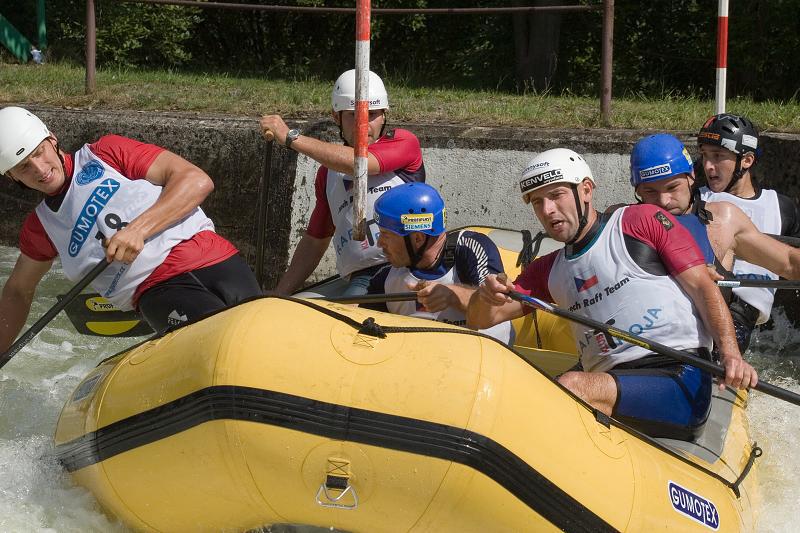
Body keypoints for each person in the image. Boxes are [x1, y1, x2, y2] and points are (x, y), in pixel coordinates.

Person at [467, 148, 757, 440]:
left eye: (556, 196)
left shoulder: (639, 221)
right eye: (538, 202)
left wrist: (731, 355)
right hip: (613, 381)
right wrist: (484, 295)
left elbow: (702, 286)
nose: (547, 210)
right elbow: (482, 319)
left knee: (572, 386)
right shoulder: (546, 270)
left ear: (586, 190)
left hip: (678, 376)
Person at [0, 106, 261, 344]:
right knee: (223, 345)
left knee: (260, 338)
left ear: (52, 139)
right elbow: (18, 290)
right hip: (156, 289)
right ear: (11, 177)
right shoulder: (40, 227)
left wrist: (138, 230)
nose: (39, 168)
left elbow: (196, 180)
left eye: (39, 152)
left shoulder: (106, 153)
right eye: (23, 167)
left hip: (214, 257)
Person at [260, 69, 425, 297]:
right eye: (353, 115)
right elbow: (315, 240)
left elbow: (361, 163)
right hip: (365, 276)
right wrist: (280, 293)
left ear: (385, 115)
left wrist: (292, 138)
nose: (364, 124)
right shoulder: (327, 175)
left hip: (410, 265)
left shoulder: (404, 142)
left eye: (373, 114)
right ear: (336, 117)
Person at [630, 133, 800, 351]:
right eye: (650, 192)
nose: (664, 201)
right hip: (646, 331)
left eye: (673, 188)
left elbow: (788, 262)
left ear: (691, 176)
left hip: (713, 337)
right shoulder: (623, 220)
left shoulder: (725, 218)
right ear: (637, 191)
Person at [362, 182, 512, 344]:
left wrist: (451, 295)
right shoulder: (387, 277)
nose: (379, 244)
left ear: (418, 238)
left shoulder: (470, 248)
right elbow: (357, 316)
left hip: (489, 359)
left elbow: (494, 303)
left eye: (385, 235)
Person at [696, 114, 800, 336]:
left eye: (717, 156)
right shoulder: (696, 199)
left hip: (743, 318)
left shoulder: (782, 208)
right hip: (705, 304)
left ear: (747, 160)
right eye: (704, 155)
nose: (708, 166)